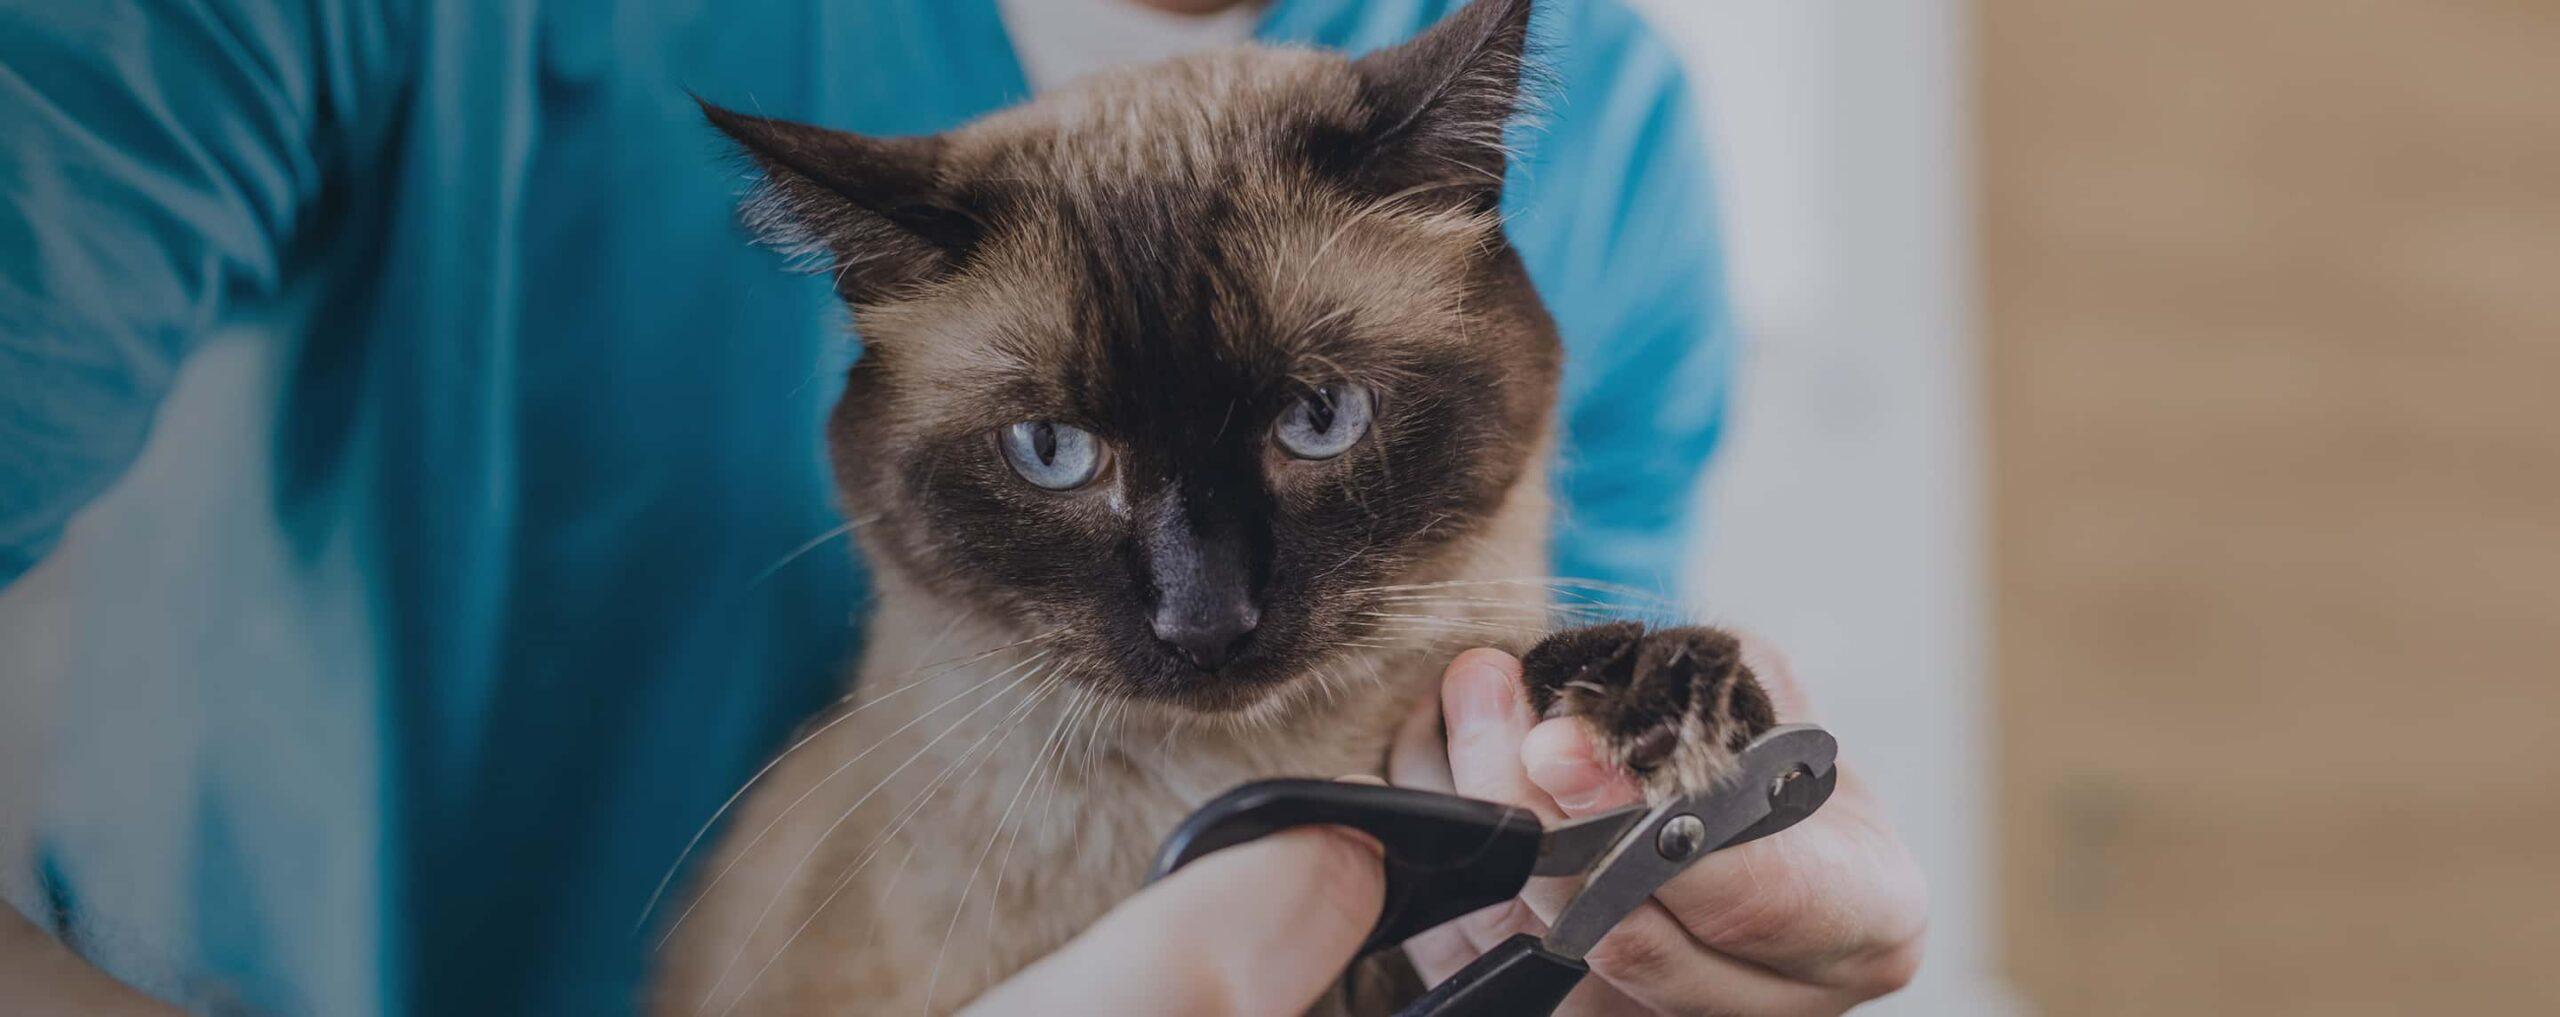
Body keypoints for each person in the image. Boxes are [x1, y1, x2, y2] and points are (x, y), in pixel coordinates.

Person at [0, 0, 1922, 1013]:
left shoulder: (1624, 125)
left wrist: (1650, 921)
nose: (1206, 609)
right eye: (1058, 455)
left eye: (1323, 418)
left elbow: (1520, 824)